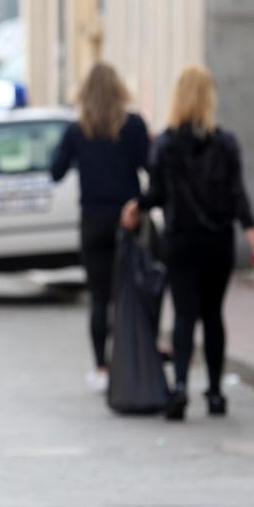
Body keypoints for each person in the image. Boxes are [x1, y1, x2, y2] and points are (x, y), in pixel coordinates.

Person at [121, 64, 254, 421]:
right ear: (209, 99)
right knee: (214, 316)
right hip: (218, 242)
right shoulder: (226, 143)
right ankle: (216, 394)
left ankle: (180, 389)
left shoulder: (166, 144)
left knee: (185, 315)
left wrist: (135, 207)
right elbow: (238, 197)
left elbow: (156, 193)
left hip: (181, 242)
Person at [50, 63, 151, 390]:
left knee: (99, 297)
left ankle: (101, 367)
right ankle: (132, 361)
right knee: (131, 293)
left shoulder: (77, 130)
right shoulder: (133, 125)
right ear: (119, 89)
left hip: (93, 221)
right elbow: (150, 166)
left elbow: (55, 171)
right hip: (129, 220)